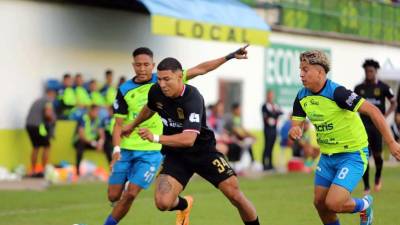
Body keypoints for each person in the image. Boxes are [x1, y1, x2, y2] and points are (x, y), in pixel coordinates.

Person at [103, 45, 249, 225]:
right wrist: (131, 126)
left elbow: (202, 69)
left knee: (235, 196)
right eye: (138, 65)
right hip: (172, 153)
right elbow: (149, 108)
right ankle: (185, 204)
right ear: (133, 65)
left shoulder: (182, 88)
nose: (142, 69)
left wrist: (230, 56)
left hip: (198, 151)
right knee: (157, 202)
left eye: (146, 64)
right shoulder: (151, 88)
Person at [289, 50, 400, 225]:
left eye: (305, 69)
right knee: (319, 203)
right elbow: (297, 124)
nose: (301, 74)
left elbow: (373, 110)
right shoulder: (302, 96)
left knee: (333, 203)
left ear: (320, 72)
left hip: (352, 155)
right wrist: (295, 130)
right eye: (300, 69)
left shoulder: (338, 93)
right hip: (327, 157)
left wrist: (392, 142)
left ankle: (364, 205)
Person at [354, 59, 397, 193]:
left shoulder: (383, 87)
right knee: (364, 157)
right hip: (363, 126)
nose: (369, 73)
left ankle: (377, 178)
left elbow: (393, 102)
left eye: (371, 71)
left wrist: (384, 116)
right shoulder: (359, 88)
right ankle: (366, 186)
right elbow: (351, 105)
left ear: (376, 72)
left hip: (378, 127)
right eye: (366, 71)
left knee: (378, 156)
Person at [26, 88, 57, 177]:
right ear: (51, 93)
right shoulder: (48, 101)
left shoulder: (38, 100)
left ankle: (33, 170)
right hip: (39, 127)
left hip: (29, 125)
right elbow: (48, 114)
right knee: (47, 146)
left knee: (36, 147)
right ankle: (44, 170)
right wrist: (53, 119)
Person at [74, 105, 106, 176]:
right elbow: (81, 135)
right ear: (90, 111)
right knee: (80, 145)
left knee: (107, 146)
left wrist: (100, 143)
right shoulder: (83, 118)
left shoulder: (98, 119)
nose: (97, 113)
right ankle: (77, 170)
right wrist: (93, 143)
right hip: (83, 141)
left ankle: (110, 169)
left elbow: (102, 134)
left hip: (92, 142)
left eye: (98, 111)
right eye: (95, 111)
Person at [261, 90, 283, 170]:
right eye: (269, 95)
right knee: (267, 146)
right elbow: (267, 119)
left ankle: (270, 164)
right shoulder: (264, 106)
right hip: (267, 129)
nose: (270, 96)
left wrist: (274, 115)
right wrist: (274, 115)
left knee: (271, 147)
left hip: (274, 129)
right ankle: (264, 164)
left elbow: (280, 113)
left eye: (271, 95)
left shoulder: (275, 105)